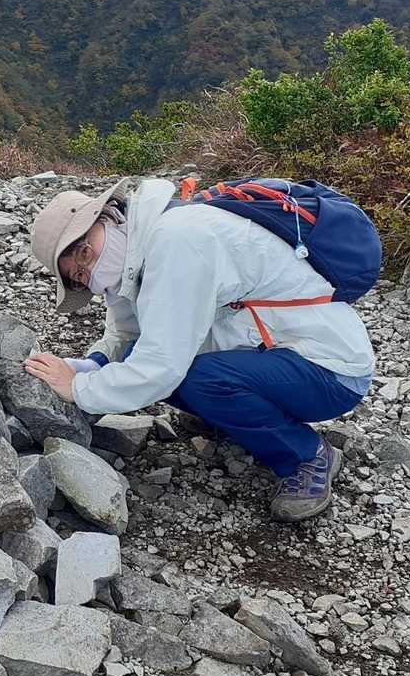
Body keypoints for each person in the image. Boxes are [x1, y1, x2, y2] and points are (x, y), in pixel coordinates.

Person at [22, 176, 375, 523]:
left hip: (330, 369)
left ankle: (307, 456)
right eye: (79, 276)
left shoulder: (178, 239)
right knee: (159, 368)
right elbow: (128, 334)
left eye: (85, 253)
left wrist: (78, 389)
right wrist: (90, 365)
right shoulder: (134, 251)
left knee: (195, 380)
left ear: (110, 216)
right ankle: (236, 417)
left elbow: (161, 366)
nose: (91, 272)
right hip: (275, 354)